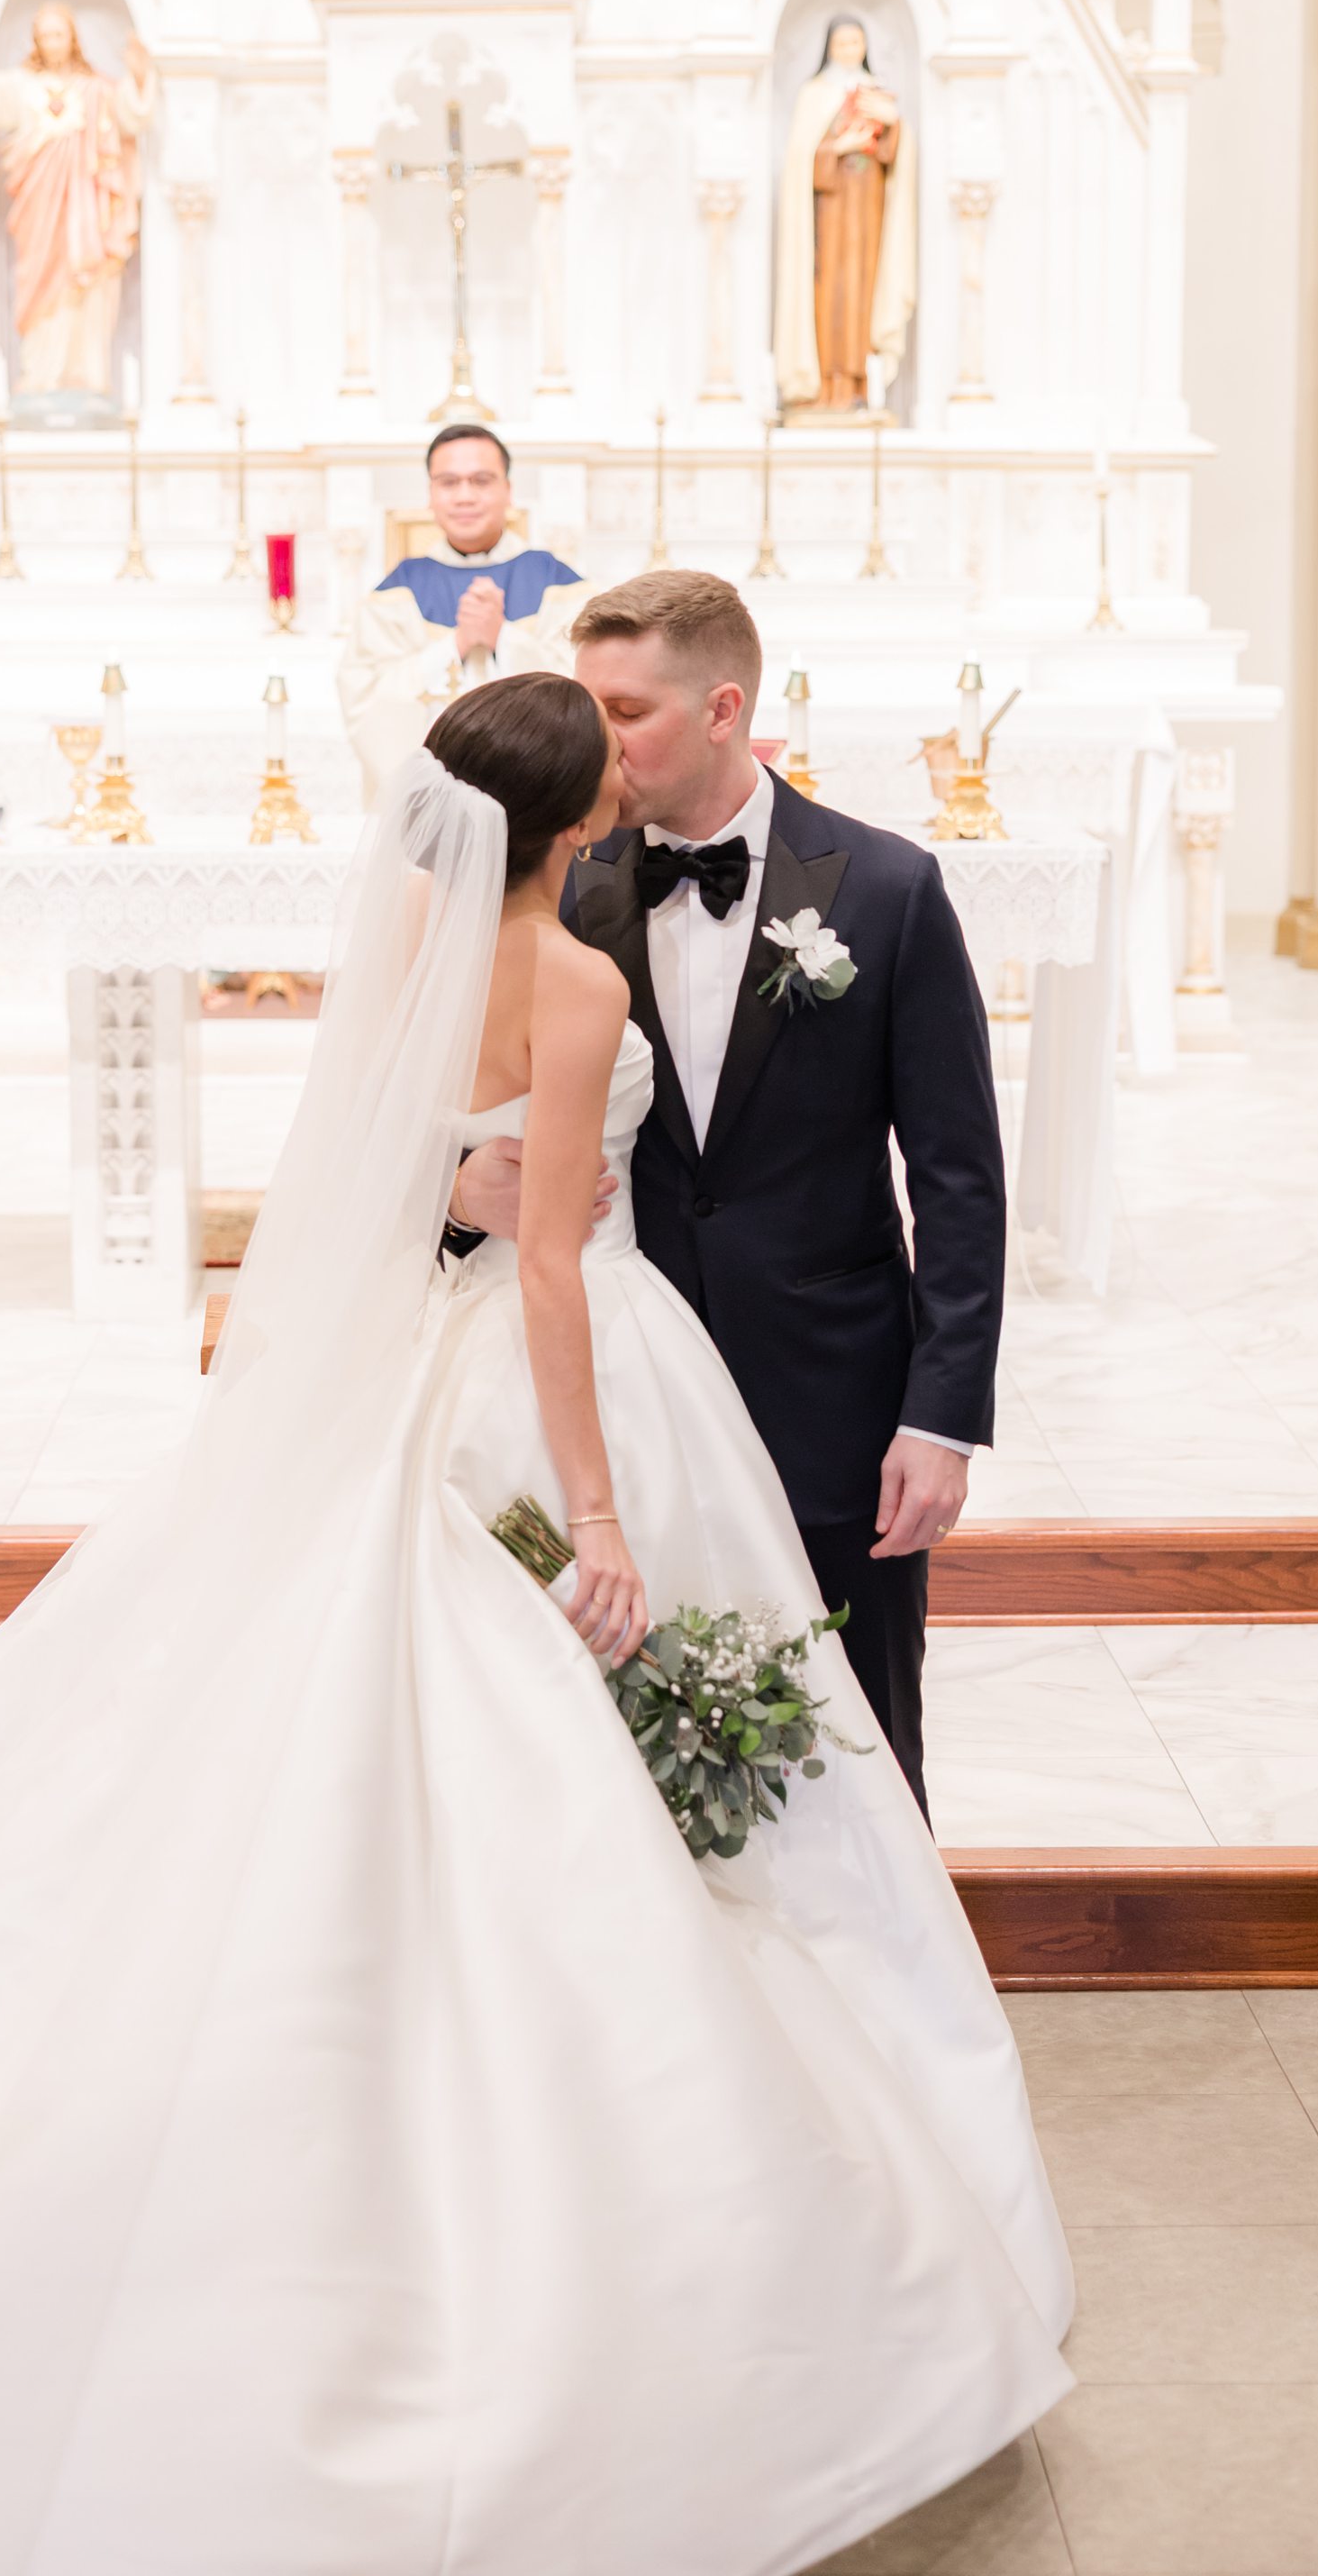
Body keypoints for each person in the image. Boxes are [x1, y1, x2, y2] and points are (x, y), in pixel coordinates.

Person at [0, 677, 1069, 2571]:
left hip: (417, 1371)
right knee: (550, 1728)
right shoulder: (576, 983)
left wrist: (453, 1183)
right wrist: (600, 1511)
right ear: (578, 823)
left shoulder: (402, 937)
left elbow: (368, 1169)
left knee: (395, 1712)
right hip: (573, 1382)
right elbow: (556, 1272)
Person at [453, 570, 1002, 1812]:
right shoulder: (568, 896)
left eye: (625, 711)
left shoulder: (886, 887)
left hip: (832, 1391)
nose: (595, 743)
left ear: (723, 710)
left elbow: (960, 1176)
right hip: (628, 1398)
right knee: (647, 1755)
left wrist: (943, 1413)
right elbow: (460, 1116)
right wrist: (458, 1190)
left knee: (860, 1740)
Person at [337, 419, 582, 803]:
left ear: (508, 491)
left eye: (481, 481)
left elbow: (586, 692)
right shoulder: (398, 589)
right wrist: (458, 643)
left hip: (535, 801)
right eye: (448, 482)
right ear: (430, 495)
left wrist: (502, 637)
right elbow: (366, 704)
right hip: (431, 807)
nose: (464, 496)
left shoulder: (557, 583)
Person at [0, 5, 153, 409]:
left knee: (91, 281)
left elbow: (132, 115)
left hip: (88, 216)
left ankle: (90, 376)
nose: (53, 43)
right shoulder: (24, 87)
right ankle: (41, 375)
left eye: (60, 35)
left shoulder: (95, 90)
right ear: (36, 41)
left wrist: (141, 75)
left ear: (72, 39)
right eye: (46, 36)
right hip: (40, 215)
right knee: (41, 284)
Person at [774, 13, 917, 413]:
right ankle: (823, 385)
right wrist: (838, 148)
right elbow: (801, 160)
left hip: (868, 212)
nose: (850, 51)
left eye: (856, 44)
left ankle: (858, 386)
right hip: (829, 216)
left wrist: (894, 128)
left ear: (865, 47)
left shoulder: (877, 94)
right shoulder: (814, 94)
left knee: (864, 291)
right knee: (830, 293)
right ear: (830, 49)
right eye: (842, 45)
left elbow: (894, 158)